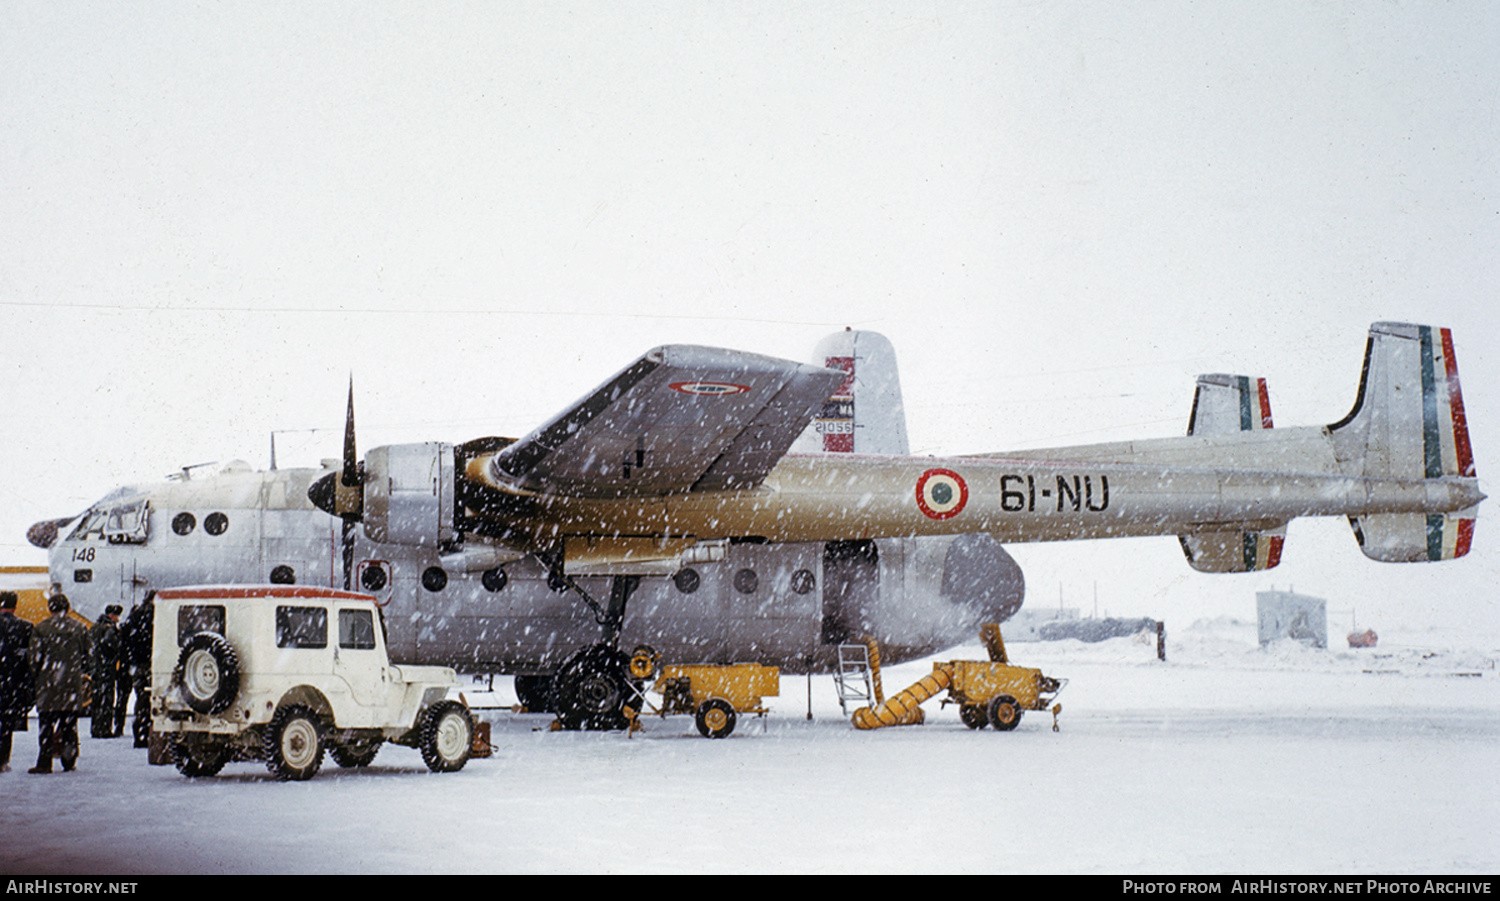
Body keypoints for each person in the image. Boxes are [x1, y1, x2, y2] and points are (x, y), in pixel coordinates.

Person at [28, 594, 90, 773]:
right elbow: (88, 654)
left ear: (50, 608)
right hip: (71, 685)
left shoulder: (41, 629)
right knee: (69, 725)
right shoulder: (79, 628)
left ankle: (45, 762)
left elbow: (34, 659)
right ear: (68, 607)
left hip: (48, 686)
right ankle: (69, 760)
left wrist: (39, 676)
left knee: (46, 725)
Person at [0, 591, 34, 773]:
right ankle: (2, 760)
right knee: (6, 723)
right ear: (15, 606)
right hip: (13, 682)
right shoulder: (25, 627)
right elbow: (30, 658)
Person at [120, 591, 155, 748]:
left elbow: (124, 637)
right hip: (151, 663)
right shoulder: (153, 614)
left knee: (141, 700)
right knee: (153, 699)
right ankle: (148, 734)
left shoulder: (134, 616)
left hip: (137, 664)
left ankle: (140, 735)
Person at [89, 605, 127, 738]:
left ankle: (95, 728)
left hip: (96, 667)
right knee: (107, 698)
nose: (117, 619)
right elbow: (112, 643)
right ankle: (105, 729)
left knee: (96, 698)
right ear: (112, 615)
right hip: (106, 667)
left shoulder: (95, 627)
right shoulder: (109, 628)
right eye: (116, 616)